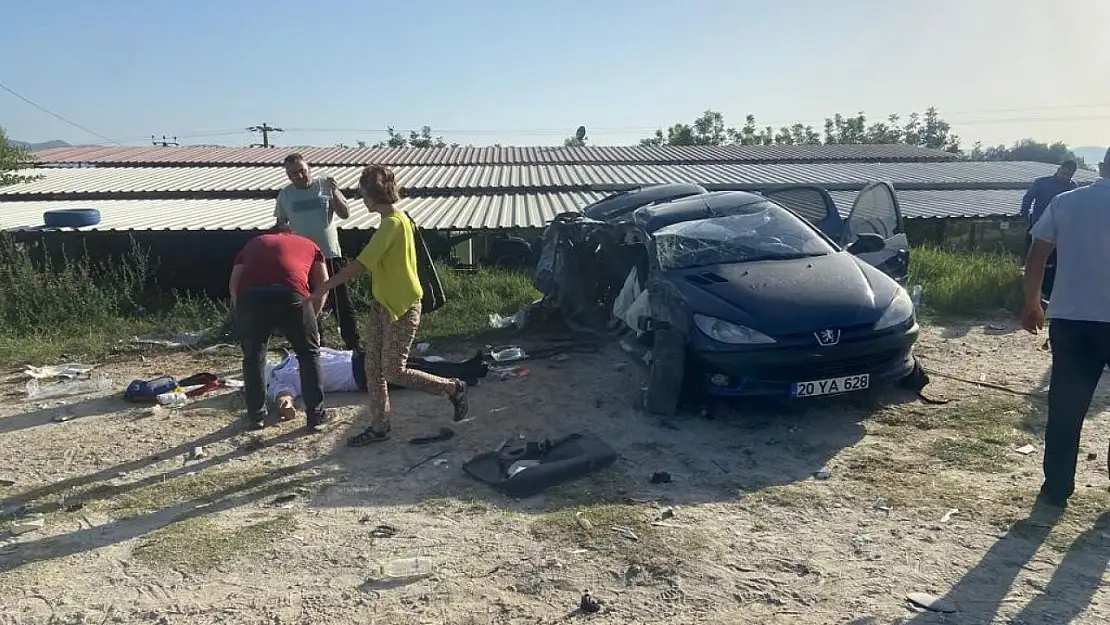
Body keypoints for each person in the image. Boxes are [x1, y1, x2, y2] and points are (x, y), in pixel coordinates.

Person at [309, 165, 469, 447]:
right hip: (383, 305)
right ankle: (380, 426)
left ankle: (453, 388)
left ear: (372, 195)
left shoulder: (393, 223)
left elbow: (361, 264)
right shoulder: (395, 219)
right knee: (372, 368)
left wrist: (324, 286)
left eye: (363, 194)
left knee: (394, 370)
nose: (362, 200)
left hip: (403, 306)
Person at [1020, 147, 1110, 509]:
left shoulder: (1067, 202)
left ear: (1102, 168)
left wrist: (1032, 302)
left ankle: (1056, 490)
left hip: (1072, 319)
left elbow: (1037, 255)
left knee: (1066, 409)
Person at [229, 225, 331, 432]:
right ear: (293, 233)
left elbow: (234, 283)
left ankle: (256, 417)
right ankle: (315, 416)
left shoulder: (253, 243)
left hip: (251, 298)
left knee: (253, 357)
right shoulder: (309, 244)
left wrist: (242, 312)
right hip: (291, 295)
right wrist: (313, 318)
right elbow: (323, 284)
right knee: (309, 354)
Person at [274, 153, 362, 351]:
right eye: (294, 173)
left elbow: (345, 214)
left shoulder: (324, 186)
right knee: (310, 302)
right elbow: (280, 224)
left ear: (309, 169)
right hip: (302, 260)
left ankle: (353, 345)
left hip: (329, 255)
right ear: (288, 176)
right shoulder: (285, 195)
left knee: (341, 302)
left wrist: (335, 190)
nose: (299, 176)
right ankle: (318, 344)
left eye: (302, 171)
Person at [266, 347, 489, 423]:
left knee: (417, 364)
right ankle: (466, 373)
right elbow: (284, 396)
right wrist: (286, 406)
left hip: (357, 357)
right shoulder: (277, 381)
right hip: (357, 375)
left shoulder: (291, 357)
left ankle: (466, 370)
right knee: (417, 372)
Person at [1020, 160, 1078, 301]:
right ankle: (1030, 292)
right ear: (1059, 169)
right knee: (1035, 259)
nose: (1065, 177)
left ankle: (1049, 291)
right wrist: (1025, 216)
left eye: (1068, 175)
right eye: (1064, 173)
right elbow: (1028, 199)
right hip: (1040, 228)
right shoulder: (1042, 183)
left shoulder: (1072, 187)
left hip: (1061, 230)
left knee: (1056, 262)